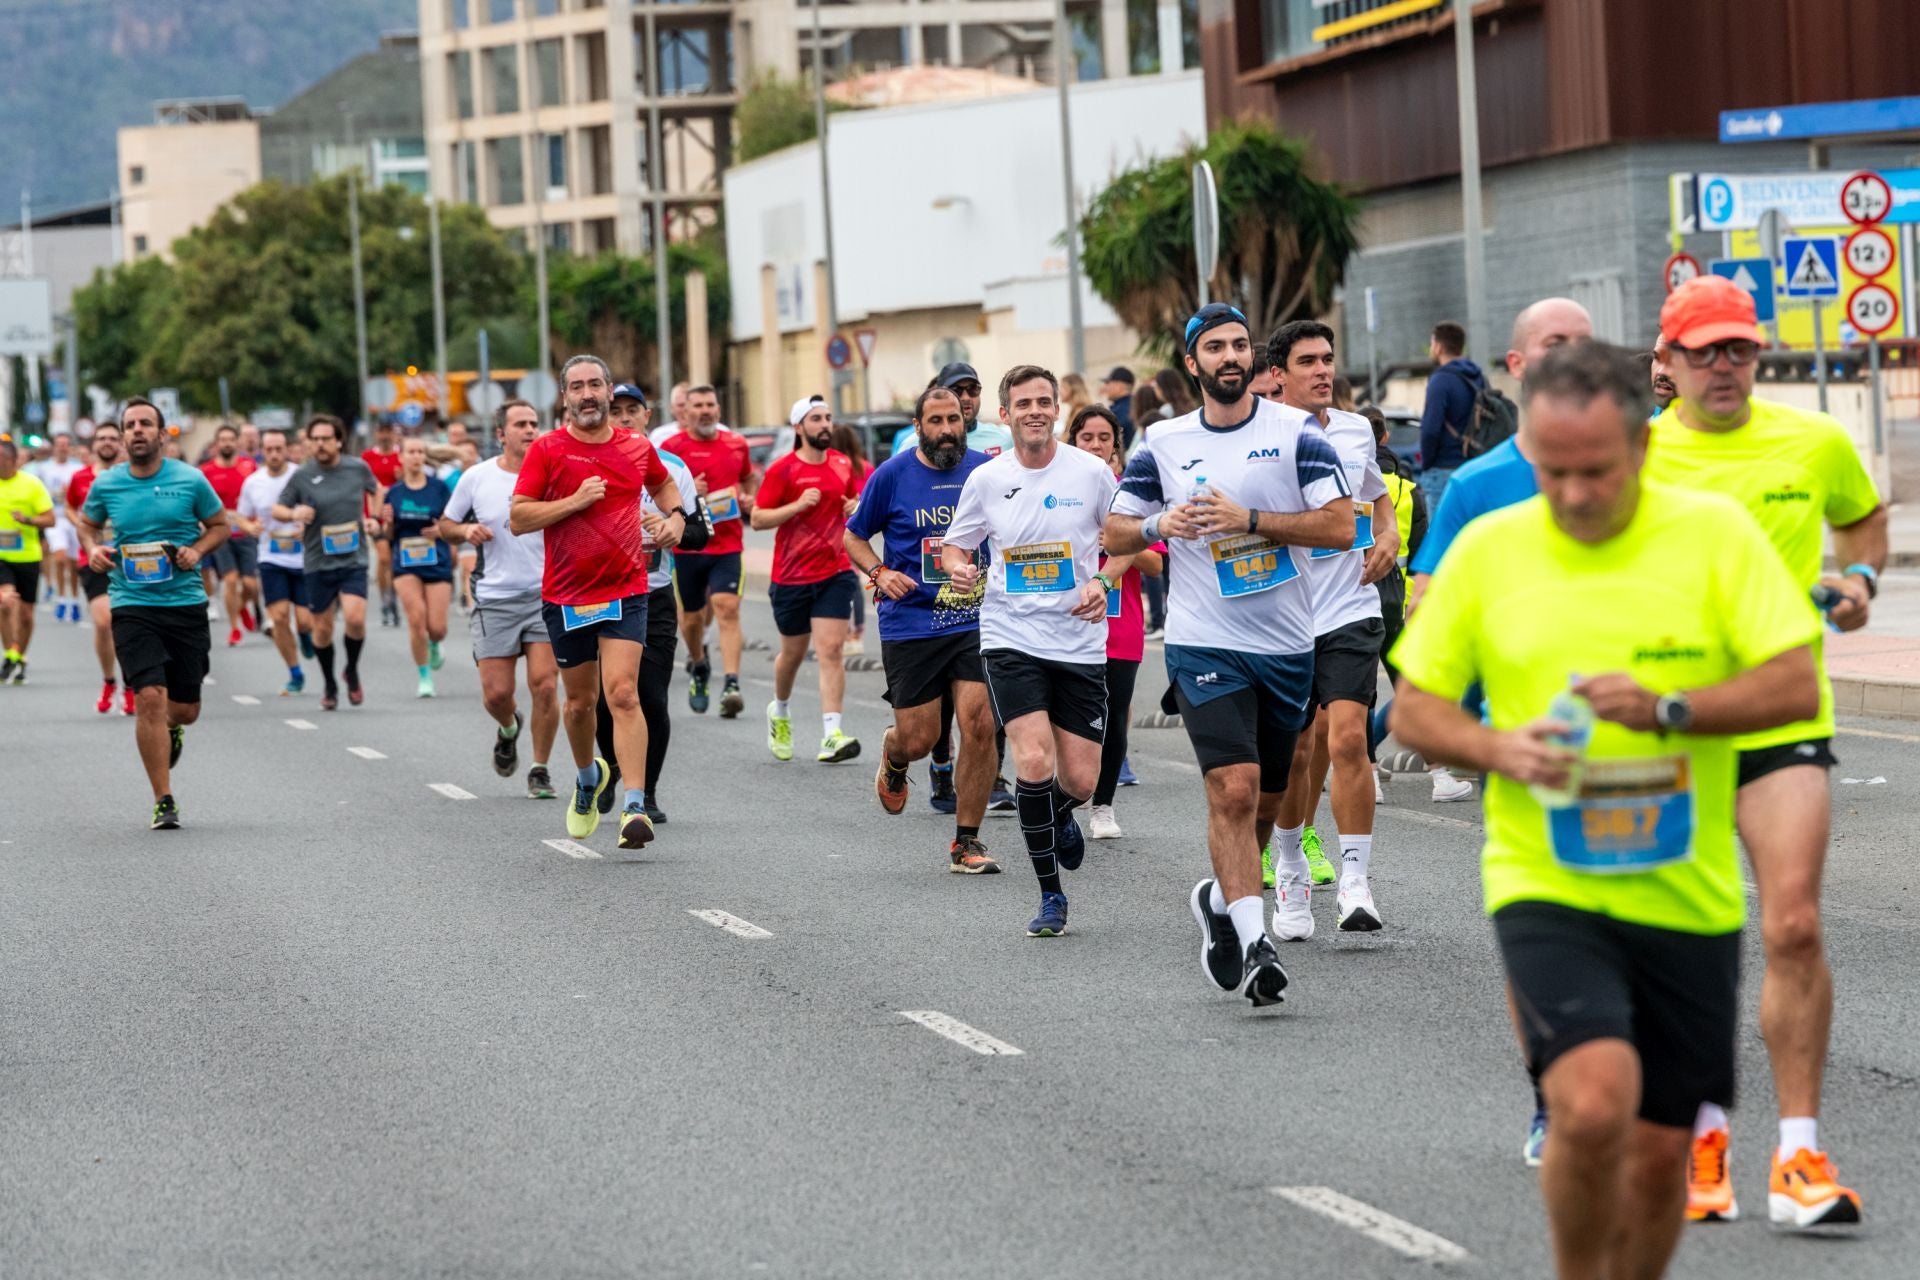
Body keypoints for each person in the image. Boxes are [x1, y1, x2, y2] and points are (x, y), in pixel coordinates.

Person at [1389, 339, 1822, 1280]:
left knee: (1664, 1149)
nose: (1575, 494)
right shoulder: (1492, 548)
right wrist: (1500, 748)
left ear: (1642, 448)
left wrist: (1673, 711)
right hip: (1546, 877)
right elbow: (1414, 706)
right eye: (1552, 473)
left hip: (1685, 891)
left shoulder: (1712, 536)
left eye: (1598, 472)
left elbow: (1795, 682)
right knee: (1590, 1104)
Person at [1644, 274, 1882, 1230]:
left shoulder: (1814, 440)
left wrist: (1858, 577)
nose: (1726, 367)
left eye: (1740, 348)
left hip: (1784, 711)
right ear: (1667, 361)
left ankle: (1797, 1153)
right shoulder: (1633, 455)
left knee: (1792, 925)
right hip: (1665, 720)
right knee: (1685, 938)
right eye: (1705, 351)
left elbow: (1861, 516)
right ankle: (1701, 1132)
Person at [1107, 302, 1355, 1006]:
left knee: (1270, 802)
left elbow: (1341, 526)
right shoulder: (1161, 441)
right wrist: (1162, 521)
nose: (1229, 356)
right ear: (1192, 363)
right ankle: (1257, 944)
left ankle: (1220, 901)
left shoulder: (1295, 434)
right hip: (1202, 641)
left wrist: (1250, 520)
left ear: (1253, 359)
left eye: (1239, 345)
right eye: (1214, 347)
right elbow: (1117, 532)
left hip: (1284, 647)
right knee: (1235, 789)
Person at [944, 365, 1120, 936]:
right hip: (1010, 637)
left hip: (1080, 641)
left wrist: (1103, 581)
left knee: (1081, 782)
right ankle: (1050, 896)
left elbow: (1125, 543)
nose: (1036, 411)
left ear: (1058, 409)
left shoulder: (1092, 473)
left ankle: (1058, 816)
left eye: (1044, 401)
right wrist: (961, 570)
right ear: (1005, 414)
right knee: (1034, 762)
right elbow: (955, 546)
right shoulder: (988, 479)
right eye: (1024, 403)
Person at [1407, 298, 1595, 811]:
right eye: (1555, 345)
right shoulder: (1475, 486)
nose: (1571, 358)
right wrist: (1495, 747)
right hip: (1525, 780)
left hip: (1647, 777)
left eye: (1583, 345)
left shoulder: (1654, 469)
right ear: (1517, 364)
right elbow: (1418, 683)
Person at [511, 354, 686, 849]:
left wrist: (674, 517)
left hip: (626, 590)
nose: (587, 394)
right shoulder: (547, 450)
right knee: (580, 705)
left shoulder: (635, 445)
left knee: (624, 694)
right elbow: (519, 518)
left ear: (609, 392)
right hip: (566, 595)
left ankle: (635, 806)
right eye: (576, 387)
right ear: (564, 397)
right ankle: (588, 778)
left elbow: (663, 483)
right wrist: (575, 501)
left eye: (594, 385)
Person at [1264, 320, 1399, 936]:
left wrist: (1390, 536)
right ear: (1279, 375)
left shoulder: (1352, 431)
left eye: (1327, 359)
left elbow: (1378, 498)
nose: (1323, 370)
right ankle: (1290, 866)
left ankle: (1355, 881)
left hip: (1350, 605)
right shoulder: (1259, 437)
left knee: (1347, 740)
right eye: (1308, 361)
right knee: (1296, 751)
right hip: (1284, 611)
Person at [845, 385, 1001, 874]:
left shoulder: (986, 470)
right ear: (918, 427)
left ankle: (966, 841)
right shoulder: (892, 475)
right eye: (935, 421)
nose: (946, 430)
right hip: (911, 621)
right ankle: (894, 754)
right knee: (919, 738)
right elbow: (854, 535)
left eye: (953, 419)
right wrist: (879, 573)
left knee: (979, 723)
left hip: (975, 617)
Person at [74, 398, 230, 830]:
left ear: (162, 435)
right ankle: (163, 798)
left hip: (183, 603)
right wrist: (93, 550)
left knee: (184, 710)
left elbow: (220, 526)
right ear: (123, 437)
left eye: (146, 424)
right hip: (131, 602)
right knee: (148, 698)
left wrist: (196, 550)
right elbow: (86, 524)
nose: (137, 430)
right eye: (130, 425)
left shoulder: (191, 479)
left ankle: (173, 729)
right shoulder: (108, 485)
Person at [596, 384, 708, 822]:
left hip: (655, 593)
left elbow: (700, 532)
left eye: (632, 411)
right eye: (616, 411)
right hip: (602, 593)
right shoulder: (592, 462)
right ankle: (610, 766)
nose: (624, 419)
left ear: (648, 416)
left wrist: (672, 527)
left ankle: (648, 793)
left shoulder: (673, 468)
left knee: (652, 698)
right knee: (609, 698)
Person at [442, 399, 562, 800]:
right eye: (521, 424)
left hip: (547, 593)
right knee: (496, 694)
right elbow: (446, 524)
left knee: (545, 685)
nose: (530, 430)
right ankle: (509, 728)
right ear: (500, 435)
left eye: (534, 423)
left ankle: (540, 769)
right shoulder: (477, 478)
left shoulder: (553, 475)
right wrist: (465, 533)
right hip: (494, 596)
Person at [1064, 404, 1162, 840]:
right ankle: (1065, 797)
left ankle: (1102, 807)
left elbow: (1157, 566)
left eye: (1105, 438)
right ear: (1074, 442)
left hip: (1120, 625)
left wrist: (1118, 538)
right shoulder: (1060, 491)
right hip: (1067, 622)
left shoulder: (1132, 499)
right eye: (1088, 438)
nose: (1097, 445)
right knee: (1065, 717)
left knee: (1114, 711)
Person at [755, 398, 865, 764]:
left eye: (828, 418)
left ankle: (832, 733)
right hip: (791, 577)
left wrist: (855, 505)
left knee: (831, 650)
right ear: (799, 427)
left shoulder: (841, 463)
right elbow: (757, 519)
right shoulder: (782, 470)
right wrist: (798, 506)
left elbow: (855, 501)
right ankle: (781, 710)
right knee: (793, 654)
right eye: (816, 419)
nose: (825, 424)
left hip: (834, 572)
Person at [273, 415, 382, 711]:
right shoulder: (302, 476)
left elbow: (376, 490)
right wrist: (294, 515)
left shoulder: (357, 468)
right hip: (318, 561)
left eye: (325, 439)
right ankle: (330, 683)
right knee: (321, 631)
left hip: (353, 558)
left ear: (338, 441)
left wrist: (373, 518)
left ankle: (353, 670)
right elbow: (279, 508)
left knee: (355, 619)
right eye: (315, 439)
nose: (319, 445)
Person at [662, 384, 756, 719]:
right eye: (697, 405)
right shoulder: (671, 449)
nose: (705, 410)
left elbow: (748, 480)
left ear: (718, 408)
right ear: (685, 411)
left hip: (728, 543)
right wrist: (690, 490)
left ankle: (731, 683)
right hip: (688, 545)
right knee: (691, 619)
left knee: (726, 607)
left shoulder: (736, 444)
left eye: (710, 404)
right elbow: (657, 490)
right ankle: (699, 664)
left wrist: (746, 498)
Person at [235, 428, 314, 696]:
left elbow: (317, 509)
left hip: (303, 557)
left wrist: (307, 527)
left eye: (279, 449)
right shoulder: (253, 482)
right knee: (279, 618)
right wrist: (249, 528)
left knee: (304, 621)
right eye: (269, 450)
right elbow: (242, 515)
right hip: (270, 557)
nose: (275, 454)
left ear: (286, 448)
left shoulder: (300, 476)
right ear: (262, 451)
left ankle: (304, 635)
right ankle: (295, 673)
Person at [65, 422, 135, 713]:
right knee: (104, 622)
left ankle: (131, 684)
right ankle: (109, 681)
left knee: (128, 624)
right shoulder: (80, 478)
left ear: (120, 444)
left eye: (112, 438)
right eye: (101, 438)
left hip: (128, 559)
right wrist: (82, 527)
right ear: (93, 445)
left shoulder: (129, 476)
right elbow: (69, 506)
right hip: (93, 557)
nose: (107, 443)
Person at [382, 437, 455, 698]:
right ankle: (424, 676)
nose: (415, 456)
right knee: (416, 620)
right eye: (410, 452)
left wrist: (440, 530)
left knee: (437, 627)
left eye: (420, 452)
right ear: (401, 457)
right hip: (405, 562)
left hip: (437, 559)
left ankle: (435, 643)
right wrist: (387, 524)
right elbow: (388, 534)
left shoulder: (439, 488)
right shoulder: (395, 492)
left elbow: (451, 523)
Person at [198, 424, 261, 648]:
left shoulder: (249, 466)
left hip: (246, 531)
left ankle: (242, 605)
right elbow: (199, 501)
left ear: (238, 443)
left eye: (230, 439)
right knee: (231, 580)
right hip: (221, 533)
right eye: (222, 440)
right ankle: (235, 627)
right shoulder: (206, 471)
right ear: (216, 444)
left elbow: (258, 495)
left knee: (252, 585)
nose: (227, 443)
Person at [0, 438, 55, 684]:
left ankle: (17, 655)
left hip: (28, 556)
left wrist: (27, 520)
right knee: (5, 602)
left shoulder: (31, 485)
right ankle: (10, 652)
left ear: (13, 461)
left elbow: (50, 519)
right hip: (2, 557)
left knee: (26, 615)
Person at [1417, 320, 1486, 514]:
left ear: (1438, 347)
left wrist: (1427, 465)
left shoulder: (1440, 380)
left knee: (1442, 538)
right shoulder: (1478, 377)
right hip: (1474, 466)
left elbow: (1430, 429)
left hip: (1443, 469)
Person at [889, 362, 1017, 460]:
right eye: (956, 390)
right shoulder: (912, 445)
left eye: (973, 389)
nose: (966, 397)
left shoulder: (1003, 439)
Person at [829, 421, 873, 655]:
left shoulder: (834, 467)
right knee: (852, 581)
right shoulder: (865, 468)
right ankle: (856, 632)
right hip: (858, 532)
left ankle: (847, 632)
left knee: (843, 580)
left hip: (836, 532)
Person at [30, 433, 84, 624]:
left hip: (74, 518)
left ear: (69, 447)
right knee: (60, 558)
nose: (62, 447)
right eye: (59, 444)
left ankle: (75, 600)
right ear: (54, 447)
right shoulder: (44, 469)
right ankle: (62, 599)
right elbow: (36, 491)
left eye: (66, 444)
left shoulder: (77, 468)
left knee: (74, 563)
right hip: (56, 520)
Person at [361, 419, 404, 628]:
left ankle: (394, 598)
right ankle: (386, 601)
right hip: (376, 515)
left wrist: (402, 478)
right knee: (384, 558)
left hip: (400, 515)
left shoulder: (401, 457)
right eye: (381, 432)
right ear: (376, 434)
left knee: (396, 560)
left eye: (388, 431)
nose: (385, 436)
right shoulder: (367, 457)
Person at [1101, 366, 1137, 447]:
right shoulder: (1138, 405)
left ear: (1119, 385)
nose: (1105, 387)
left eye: (1107, 383)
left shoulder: (1117, 412)